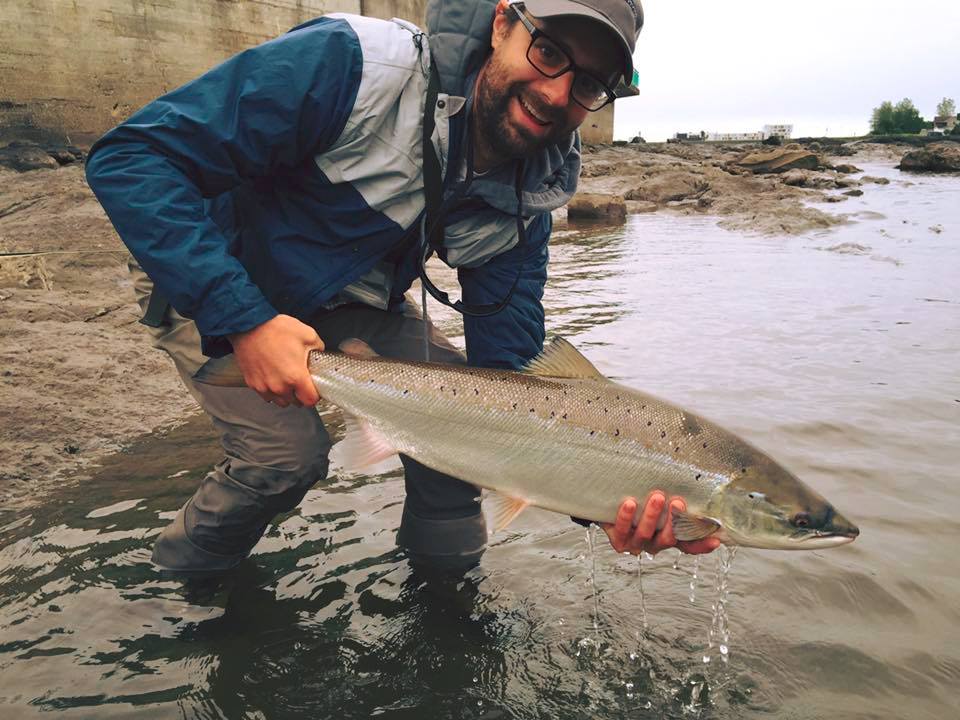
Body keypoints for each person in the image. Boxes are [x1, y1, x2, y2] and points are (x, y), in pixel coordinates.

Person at [86, 0, 720, 574]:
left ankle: (446, 613)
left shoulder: (530, 194)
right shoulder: (355, 65)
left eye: (588, 85)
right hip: (210, 272)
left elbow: (515, 387)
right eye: (549, 52)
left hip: (354, 297)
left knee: (460, 444)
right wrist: (245, 320)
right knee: (283, 459)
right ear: (502, 23)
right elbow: (133, 160)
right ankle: (175, 592)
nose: (556, 93)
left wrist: (602, 499)